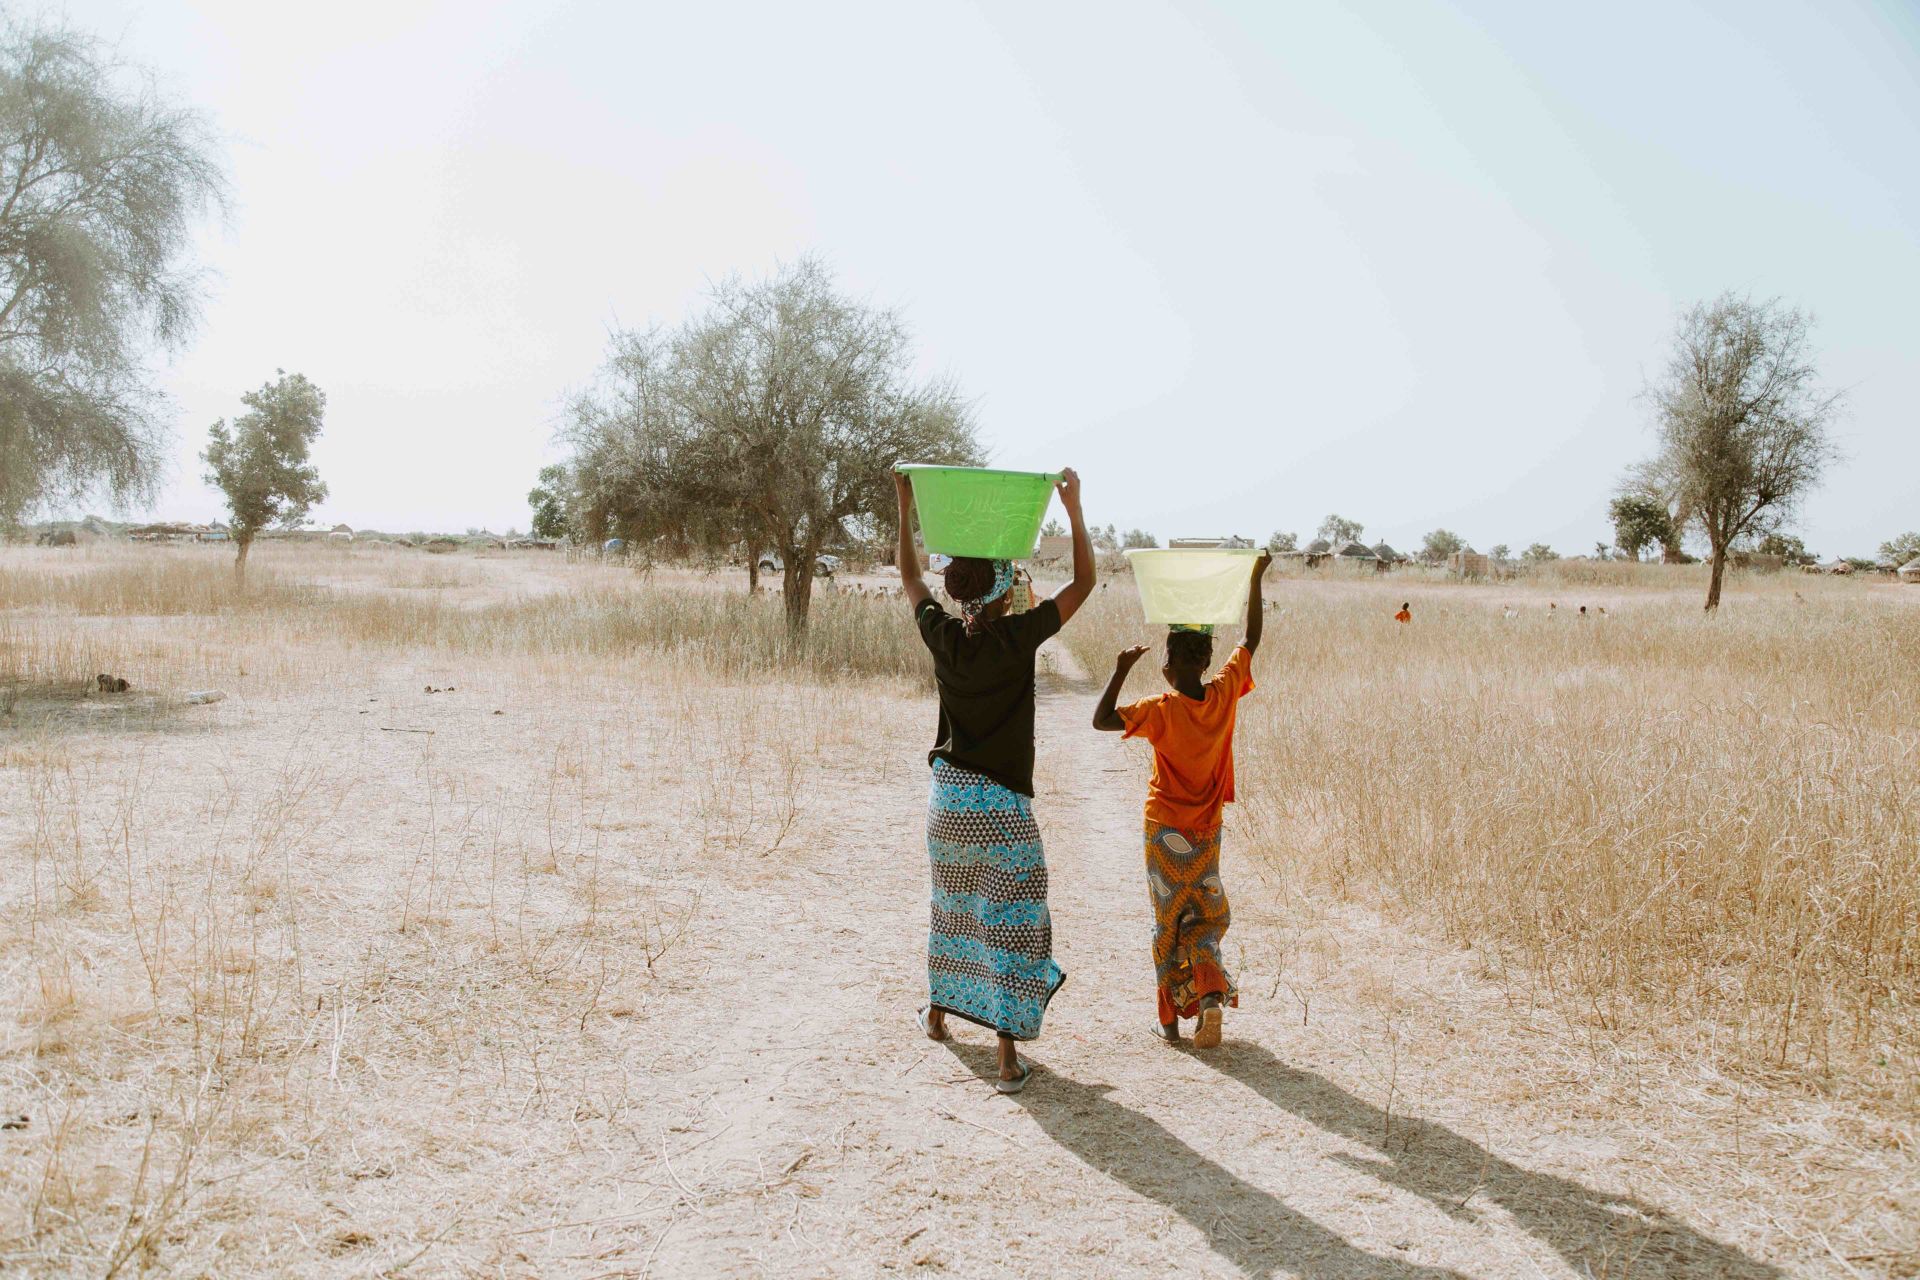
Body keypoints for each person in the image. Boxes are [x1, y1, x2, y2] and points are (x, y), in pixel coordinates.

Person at [895, 467, 1096, 1093]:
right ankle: (1007, 1056)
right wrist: (1074, 507)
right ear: (1007, 591)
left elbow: (908, 577)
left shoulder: (942, 635)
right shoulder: (1018, 635)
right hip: (1002, 807)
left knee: (952, 909)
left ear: (956, 593)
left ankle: (936, 1015)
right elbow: (1085, 581)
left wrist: (905, 505)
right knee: (1011, 918)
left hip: (947, 802)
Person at [1093, 551, 1271, 1048]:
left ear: (1168, 665)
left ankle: (1170, 1023)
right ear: (1206, 661)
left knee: (1167, 921)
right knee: (1205, 917)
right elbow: (1251, 638)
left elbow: (1102, 720)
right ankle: (1210, 997)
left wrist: (1121, 668)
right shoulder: (1224, 694)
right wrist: (1255, 577)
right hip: (1207, 831)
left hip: (1162, 830)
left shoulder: (1161, 710)